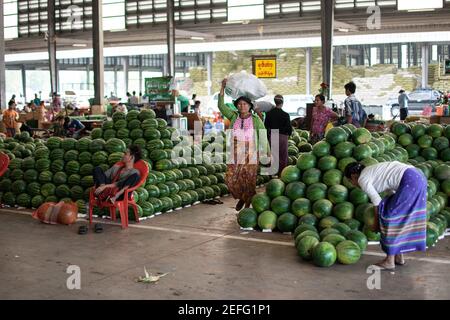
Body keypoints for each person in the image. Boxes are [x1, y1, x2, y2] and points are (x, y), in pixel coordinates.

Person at [344, 161, 427, 271]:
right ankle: (398, 256)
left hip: (410, 181)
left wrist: (377, 223)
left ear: (354, 176)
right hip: (418, 177)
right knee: (400, 218)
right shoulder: (372, 171)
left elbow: (377, 201)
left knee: (389, 218)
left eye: (350, 181)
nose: (353, 184)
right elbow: (390, 189)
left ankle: (389, 261)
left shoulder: (362, 179)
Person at [218, 78, 269, 211]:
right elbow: (221, 106)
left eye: (245, 104)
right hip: (235, 151)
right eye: (239, 104)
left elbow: (263, 137)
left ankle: (246, 202)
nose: (242, 106)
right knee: (231, 178)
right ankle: (242, 196)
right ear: (236, 105)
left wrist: (268, 153)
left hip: (252, 152)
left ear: (250, 106)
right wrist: (222, 88)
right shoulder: (233, 116)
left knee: (249, 179)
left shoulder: (256, 120)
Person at [264, 95, 292, 176]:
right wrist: (288, 135)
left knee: (273, 156)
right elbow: (288, 128)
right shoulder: (285, 115)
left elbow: (266, 126)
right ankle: (282, 174)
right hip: (283, 136)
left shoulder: (269, 114)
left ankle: (272, 174)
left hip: (273, 135)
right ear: (282, 102)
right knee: (283, 156)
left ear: (275, 102)